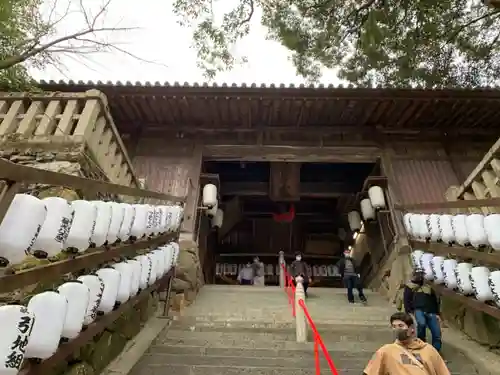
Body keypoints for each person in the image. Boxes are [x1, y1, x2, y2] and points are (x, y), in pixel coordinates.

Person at [363, 312, 450, 375]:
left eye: (400, 326)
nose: (397, 329)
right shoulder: (386, 351)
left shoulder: (428, 350)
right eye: (394, 326)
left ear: (411, 328)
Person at [403, 270, 442, 352]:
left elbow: (434, 301)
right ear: (414, 276)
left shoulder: (428, 288)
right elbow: (406, 301)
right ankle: (422, 345)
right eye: (417, 275)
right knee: (421, 324)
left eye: (421, 275)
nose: (419, 277)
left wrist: (437, 314)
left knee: (437, 332)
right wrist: (409, 313)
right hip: (418, 310)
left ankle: (436, 352)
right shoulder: (409, 287)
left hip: (431, 311)